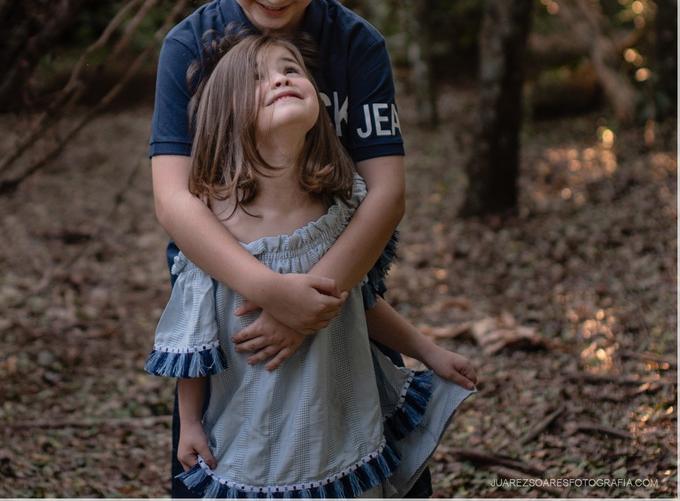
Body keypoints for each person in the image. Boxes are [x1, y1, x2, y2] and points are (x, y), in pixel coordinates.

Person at [149, 0, 419, 495]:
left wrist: (312, 303)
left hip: (343, 308)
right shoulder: (189, 47)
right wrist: (270, 291)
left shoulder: (357, 46)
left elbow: (386, 191)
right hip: (232, 321)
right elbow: (174, 199)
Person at [145, 33, 475, 498]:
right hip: (252, 433)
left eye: (290, 69)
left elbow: (357, 302)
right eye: (258, 79)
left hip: (336, 423)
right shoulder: (214, 228)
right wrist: (191, 422)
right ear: (226, 113)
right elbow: (194, 338)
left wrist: (429, 351)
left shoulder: (336, 209)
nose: (281, 79)